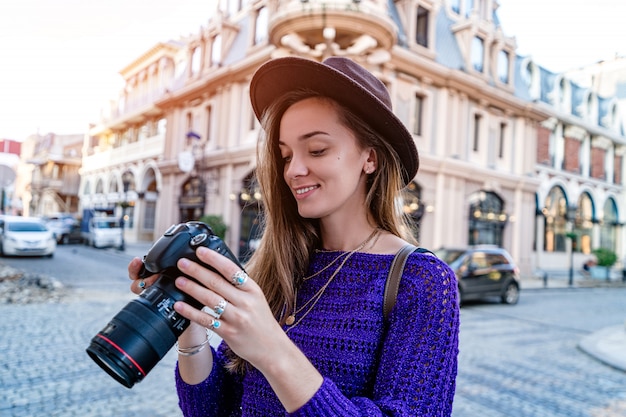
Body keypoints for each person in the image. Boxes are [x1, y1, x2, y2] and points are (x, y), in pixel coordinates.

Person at [128, 56, 460, 416]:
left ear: (371, 158)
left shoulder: (422, 280)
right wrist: (188, 321)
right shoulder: (278, 267)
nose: (294, 171)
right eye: (285, 156)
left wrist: (272, 348)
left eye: (317, 150)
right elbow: (213, 409)